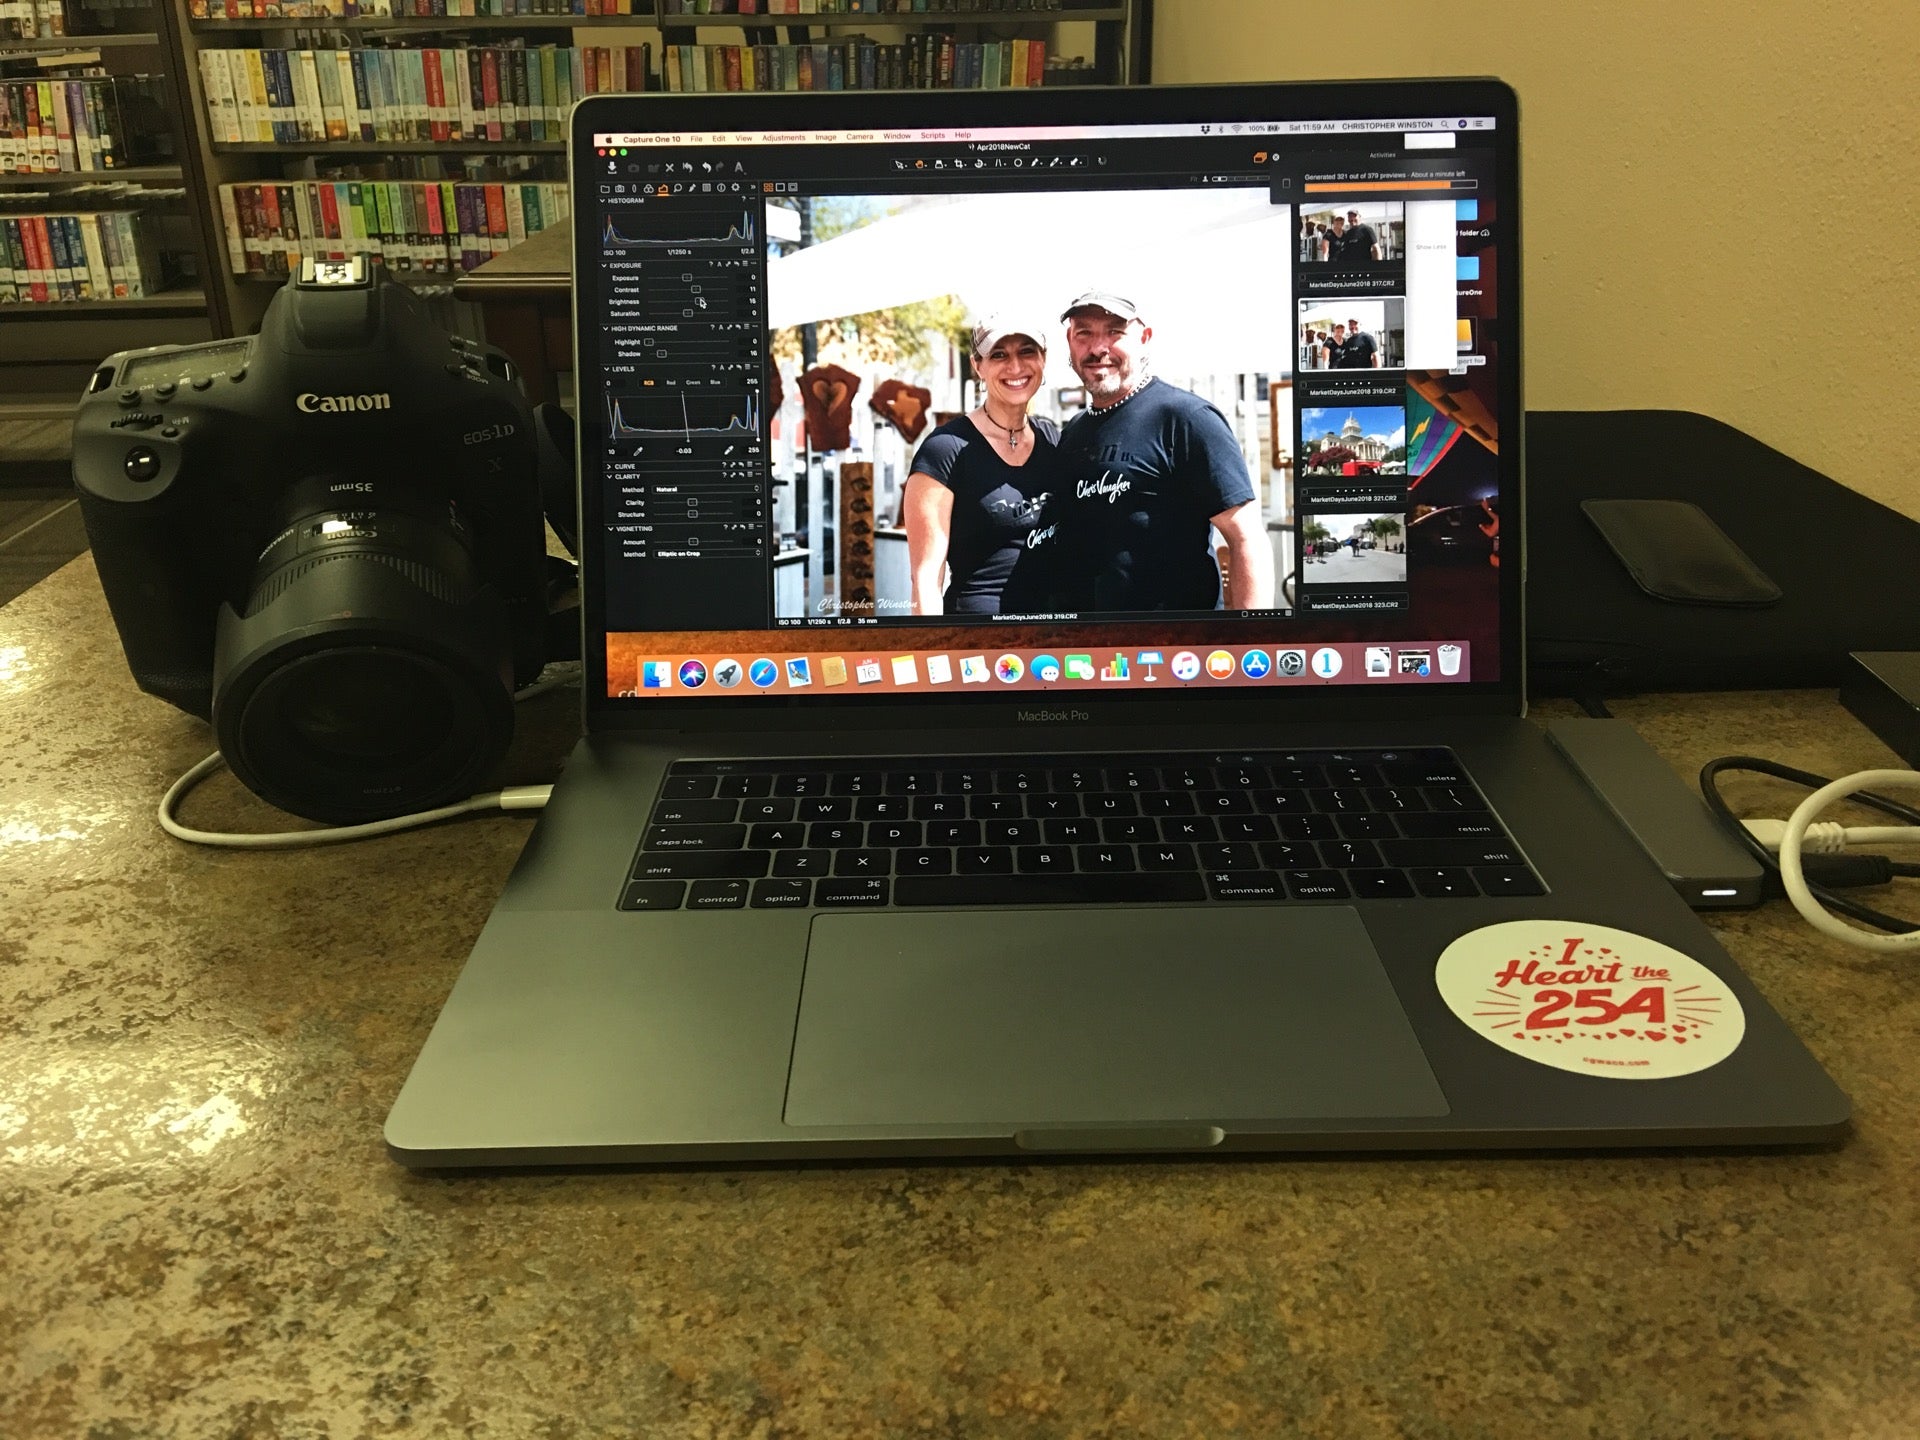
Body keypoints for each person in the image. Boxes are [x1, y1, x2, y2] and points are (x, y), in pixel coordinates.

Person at [1051, 290, 1274, 611]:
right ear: (1070, 341)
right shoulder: (1075, 430)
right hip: (1091, 651)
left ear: (1144, 338)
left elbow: (1246, 538)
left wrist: (1253, 643)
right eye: (1084, 332)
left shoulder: (1187, 419)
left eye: (1115, 332)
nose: (1098, 348)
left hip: (1177, 650)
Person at [902, 316, 1066, 615]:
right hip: (978, 641)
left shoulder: (1053, 439)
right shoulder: (944, 450)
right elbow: (925, 577)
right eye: (999, 354)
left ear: (1043, 360)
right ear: (978, 365)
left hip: (1052, 639)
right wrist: (934, 651)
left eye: (1027, 352)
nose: (1015, 367)